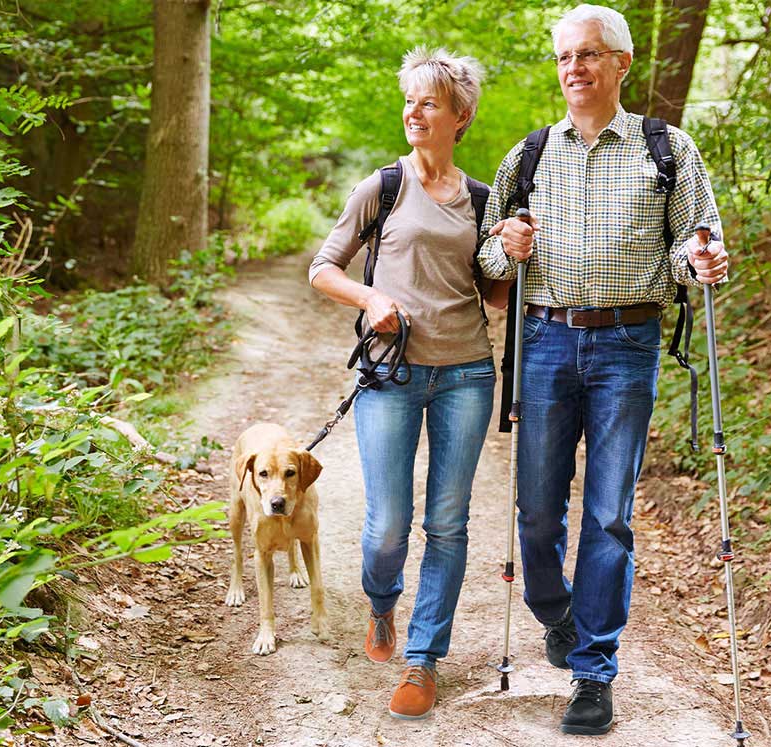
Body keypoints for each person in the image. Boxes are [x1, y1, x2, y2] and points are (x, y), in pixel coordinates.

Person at [477, 4, 730, 736]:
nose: (574, 68)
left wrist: (705, 261)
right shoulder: (528, 155)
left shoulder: (668, 148)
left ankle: (593, 669)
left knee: (610, 513)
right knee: (534, 509)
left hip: (628, 342)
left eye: (589, 54)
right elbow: (491, 257)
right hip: (547, 339)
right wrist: (508, 244)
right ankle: (555, 609)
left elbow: (692, 247)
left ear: (621, 63)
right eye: (564, 57)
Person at [309, 47, 499, 721]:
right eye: (409, 101)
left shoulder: (480, 199)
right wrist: (369, 299)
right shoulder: (382, 187)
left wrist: (514, 251)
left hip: (468, 373)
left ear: (460, 115)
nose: (414, 112)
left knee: (447, 522)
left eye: (428, 102)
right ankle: (382, 601)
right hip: (389, 371)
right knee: (389, 522)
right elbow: (322, 269)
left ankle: (424, 658)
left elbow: (495, 295)